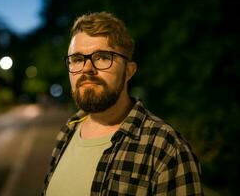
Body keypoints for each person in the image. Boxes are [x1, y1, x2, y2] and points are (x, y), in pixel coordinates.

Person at [42, 12, 203, 196]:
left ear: (128, 71)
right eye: (77, 59)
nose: (87, 69)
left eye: (102, 57)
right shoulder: (67, 131)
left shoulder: (166, 149)